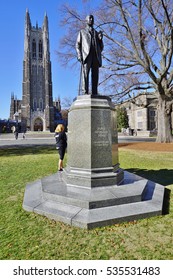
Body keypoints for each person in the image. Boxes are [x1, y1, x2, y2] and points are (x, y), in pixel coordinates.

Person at [76, 15, 104, 95]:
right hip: (86, 55)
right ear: (86, 21)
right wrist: (79, 55)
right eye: (89, 18)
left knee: (95, 75)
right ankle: (85, 92)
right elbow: (78, 45)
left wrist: (100, 40)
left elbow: (101, 48)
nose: (91, 19)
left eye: (92, 18)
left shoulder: (96, 33)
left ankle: (95, 92)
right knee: (85, 74)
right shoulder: (82, 32)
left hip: (95, 55)